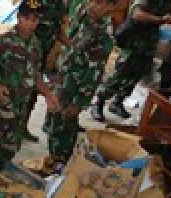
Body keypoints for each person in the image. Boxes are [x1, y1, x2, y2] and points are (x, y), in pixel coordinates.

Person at [0, 0, 61, 173]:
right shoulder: (3, 42)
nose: (31, 23)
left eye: (35, 19)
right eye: (27, 18)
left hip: (18, 112)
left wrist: (48, 94)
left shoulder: (36, 45)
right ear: (18, 17)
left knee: (6, 154)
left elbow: (35, 75)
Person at [45, 0, 118, 165]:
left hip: (76, 88)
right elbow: (71, 39)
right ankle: (52, 159)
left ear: (110, 7)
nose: (93, 5)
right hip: (63, 78)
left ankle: (60, 163)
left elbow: (95, 73)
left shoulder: (104, 36)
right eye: (93, 1)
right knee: (54, 121)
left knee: (65, 126)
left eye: (100, 3)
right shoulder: (84, 11)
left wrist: (78, 103)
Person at [93, 0, 171, 121]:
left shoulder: (167, 2)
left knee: (135, 76)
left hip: (147, 44)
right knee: (120, 74)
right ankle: (98, 103)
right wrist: (160, 20)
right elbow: (137, 14)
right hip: (132, 41)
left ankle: (117, 102)